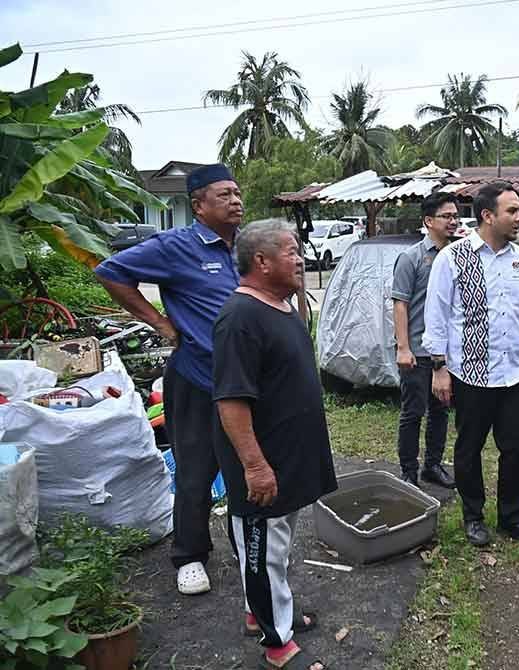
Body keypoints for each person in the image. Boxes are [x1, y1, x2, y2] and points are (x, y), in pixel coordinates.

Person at [94, 164, 241, 595]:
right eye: (223, 195)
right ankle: (190, 556)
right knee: (196, 471)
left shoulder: (247, 246)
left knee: (246, 468)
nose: (235, 201)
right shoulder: (176, 246)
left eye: (236, 193)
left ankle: (247, 547)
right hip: (196, 378)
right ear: (197, 206)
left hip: (244, 382)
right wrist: (159, 322)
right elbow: (110, 271)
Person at [213, 221, 337, 670]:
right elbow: (230, 399)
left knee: (275, 547)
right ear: (261, 262)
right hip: (264, 463)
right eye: (291, 251)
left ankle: (261, 615)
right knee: (262, 551)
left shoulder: (281, 307)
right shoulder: (240, 317)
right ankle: (277, 645)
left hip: (290, 454)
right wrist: (255, 465)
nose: (300, 257)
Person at [423, 181, 519, 548]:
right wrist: (439, 368)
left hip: (516, 372)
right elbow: (438, 316)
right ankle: (473, 516)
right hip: (471, 373)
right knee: (469, 448)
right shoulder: (453, 257)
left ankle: (512, 517)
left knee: (517, 447)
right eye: (512, 211)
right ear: (487, 215)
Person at [391, 193, 459, 489]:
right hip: (417, 352)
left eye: (455, 216)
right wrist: (403, 348)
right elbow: (400, 304)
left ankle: (433, 466)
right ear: (428, 221)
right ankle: (409, 470)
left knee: (440, 412)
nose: (453, 221)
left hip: (445, 353)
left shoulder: (458, 256)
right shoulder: (412, 258)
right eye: (446, 216)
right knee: (413, 413)